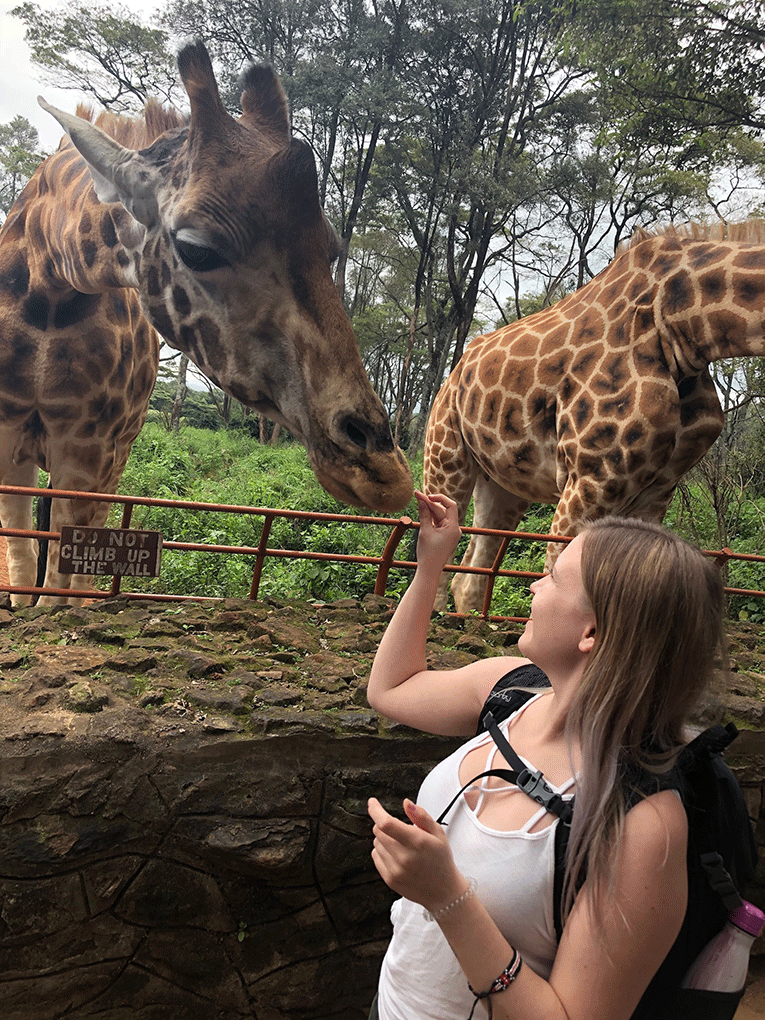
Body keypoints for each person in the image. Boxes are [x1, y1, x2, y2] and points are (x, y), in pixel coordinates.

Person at [366, 490, 727, 1020]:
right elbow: (391, 689)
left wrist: (445, 896)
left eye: (555, 576)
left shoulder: (644, 823)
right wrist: (431, 565)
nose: (534, 582)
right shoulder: (510, 689)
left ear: (592, 632)